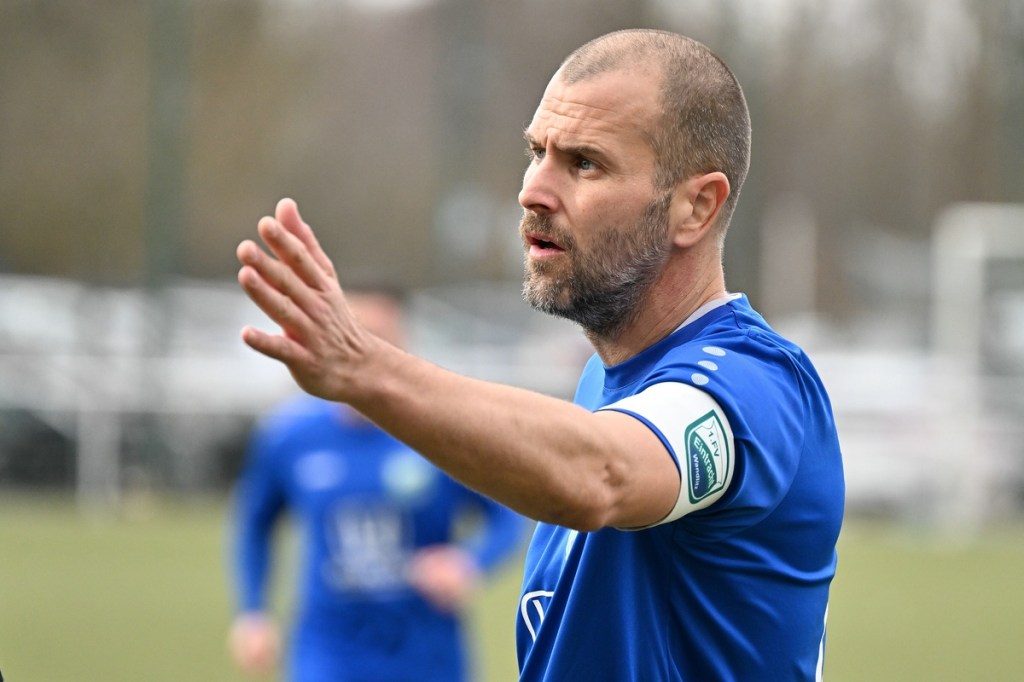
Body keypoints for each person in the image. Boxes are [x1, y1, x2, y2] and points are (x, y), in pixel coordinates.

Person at [235, 28, 845, 681]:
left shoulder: (753, 383)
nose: (533, 190)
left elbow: (601, 475)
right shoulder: (605, 380)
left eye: (584, 163)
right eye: (537, 152)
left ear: (696, 207)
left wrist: (366, 366)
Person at [227, 286, 528, 682]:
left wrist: (468, 562)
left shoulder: (442, 432)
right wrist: (253, 612)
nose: (364, 350)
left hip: (426, 653)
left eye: (379, 338)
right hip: (330, 652)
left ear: (403, 344)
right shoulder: (291, 436)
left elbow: (508, 517)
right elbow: (254, 522)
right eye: (354, 334)